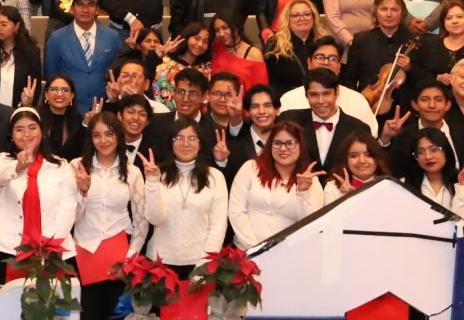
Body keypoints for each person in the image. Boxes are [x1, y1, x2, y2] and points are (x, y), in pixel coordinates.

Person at [0, 107, 76, 284]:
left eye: (32, 127)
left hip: (53, 250)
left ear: (42, 131)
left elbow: (68, 207)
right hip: (5, 249)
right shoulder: (3, 160)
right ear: (11, 135)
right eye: (19, 129)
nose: (27, 134)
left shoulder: (61, 165)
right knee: (3, 307)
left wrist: (49, 246)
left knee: (51, 307)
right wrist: (18, 166)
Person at [71, 110, 148, 318]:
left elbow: (141, 222)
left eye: (109, 134)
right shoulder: (76, 167)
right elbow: (71, 219)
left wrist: (129, 260)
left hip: (119, 257)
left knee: (117, 315)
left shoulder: (132, 172)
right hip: (85, 253)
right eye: (97, 135)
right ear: (91, 139)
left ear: (118, 136)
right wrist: (83, 192)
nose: (103, 140)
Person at [140, 116, 228, 279]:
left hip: (198, 263)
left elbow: (218, 227)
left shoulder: (215, 177)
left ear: (200, 143)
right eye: (178, 138)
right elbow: (155, 219)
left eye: (192, 138)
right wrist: (152, 181)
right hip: (159, 263)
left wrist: (202, 269)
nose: (185, 144)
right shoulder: (158, 174)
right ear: (170, 142)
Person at [227, 121, 325, 250]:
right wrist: (254, 248)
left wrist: (303, 192)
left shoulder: (311, 181)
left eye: (290, 143)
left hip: (287, 253)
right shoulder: (250, 168)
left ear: (301, 146)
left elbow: (310, 226)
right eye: (277, 143)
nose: (283, 148)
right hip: (245, 251)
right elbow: (236, 211)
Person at [42, 0, 121, 113]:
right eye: (80, 5)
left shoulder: (112, 37)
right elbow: (51, 76)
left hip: (104, 109)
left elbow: (116, 74)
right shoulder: (57, 38)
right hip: (69, 110)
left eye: (90, 5)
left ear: (97, 10)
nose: (85, 10)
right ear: (72, 9)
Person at [279, 69, 368, 175]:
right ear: (306, 95)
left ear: (337, 92)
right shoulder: (289, 120)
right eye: (314, 95)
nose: (320, 101)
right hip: (297, 189)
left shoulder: (358, 128)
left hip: (344, 190)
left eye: (326, 94)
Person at [401, 128, 464, 212]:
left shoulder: (460, 182)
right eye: (420, 152)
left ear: (446, 151)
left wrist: (461, 188)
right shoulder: (404, 185)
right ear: (415, 157)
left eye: (434, 150)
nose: (428, 157)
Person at [151, 23, 213, 108]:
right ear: (187, 38)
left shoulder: (207, 68)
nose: (200, 44)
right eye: (196, 38)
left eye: (205, 42)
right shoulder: (164, 62)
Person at [323, 130, 391, 204]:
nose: (362, 161)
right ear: (345, 160)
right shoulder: (333, 187)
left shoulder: (390, 186)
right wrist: (345, 196)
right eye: (354, 156)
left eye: (368, 155)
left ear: (378, 158)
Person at [209, 10, 268, 93]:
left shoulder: (254, 54)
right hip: (216, 103)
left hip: (241, 104)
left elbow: (261, 91)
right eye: (217, 30)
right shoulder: (215, 47)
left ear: (236, 26)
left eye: (225, 27)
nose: (221, 33)